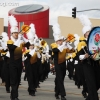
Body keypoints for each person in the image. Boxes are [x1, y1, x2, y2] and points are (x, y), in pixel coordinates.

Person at [51, 23, 75, 100]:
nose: (60, 41)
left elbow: (72, 50)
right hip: (57, 63)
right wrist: (63, 44)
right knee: (60, 79)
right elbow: (56, 51)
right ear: (56, 41)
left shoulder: (64, 46)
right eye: (59, 40)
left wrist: (67, 44)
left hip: (63, 64)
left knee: (61, 79)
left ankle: (57, 92)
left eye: (61, 40)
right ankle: (63, 95)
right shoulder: (53, 45)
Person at [78, 14, 99, 100]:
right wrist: (85, 55)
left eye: (90, 31)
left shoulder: (97, 42)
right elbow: (78, 57)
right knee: (92, 87)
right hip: (87, 65)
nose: (90, 33)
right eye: (88, 32)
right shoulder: (82, 43)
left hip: (96, 64)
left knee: (97, 83)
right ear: (84, 34)